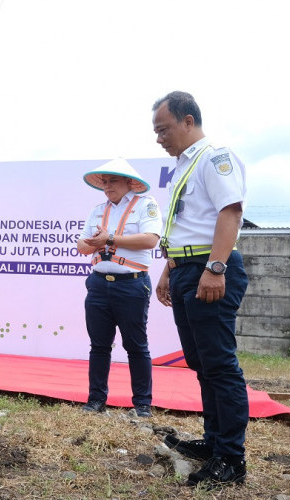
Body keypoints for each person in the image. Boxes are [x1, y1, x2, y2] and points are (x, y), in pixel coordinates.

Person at [152, 91, 249, 487]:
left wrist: (215, 267)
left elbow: (231, 210)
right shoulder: (184, 165)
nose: (159, 138)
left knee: (220, 366)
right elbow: (187, 225)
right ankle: (213, 441)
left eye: (164, 129)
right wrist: (168, 269)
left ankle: (231, 458)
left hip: (210, 269)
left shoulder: (214, 156)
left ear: (188, 121)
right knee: (202, 363)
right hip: (186, 268)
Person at [77, 159, 161, 418]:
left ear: (129, 183)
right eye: (104, 182)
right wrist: (93, 242)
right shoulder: (97, 210)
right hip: (99, 285)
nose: (107, 186)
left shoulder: (145, 205)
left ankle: (143, 404)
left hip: (132, 284)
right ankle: (96, 400)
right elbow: (82, 246)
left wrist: (110, 238)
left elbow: (150, 240)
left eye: (112, 180)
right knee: (99, 346)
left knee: (136, 345)